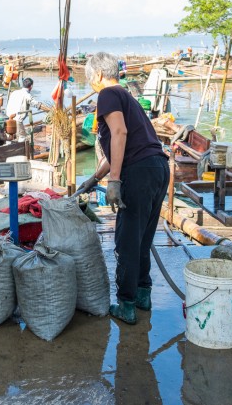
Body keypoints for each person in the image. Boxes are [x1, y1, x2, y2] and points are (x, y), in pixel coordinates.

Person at [77, 52, 169, 325]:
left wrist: (114, 180)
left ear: (97, 75)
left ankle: (126, 304)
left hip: (139, 172)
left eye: (89, 78)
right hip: (157, 168)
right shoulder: (127, 97)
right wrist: (95, 178)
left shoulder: (107, 94)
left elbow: (119, 134)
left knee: (126, 240)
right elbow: (116, 148)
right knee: (141, 237)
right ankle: (143, 294)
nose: (90, 82)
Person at [5, 77, 41, 142]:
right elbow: (36, 104)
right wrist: (40, 105)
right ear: (31, 86)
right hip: (17, 119)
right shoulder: (27, 95)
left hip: (8, 118)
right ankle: (20, 150)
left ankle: (9, 144)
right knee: (22, 137)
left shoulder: (14, 92)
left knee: (10, 135)